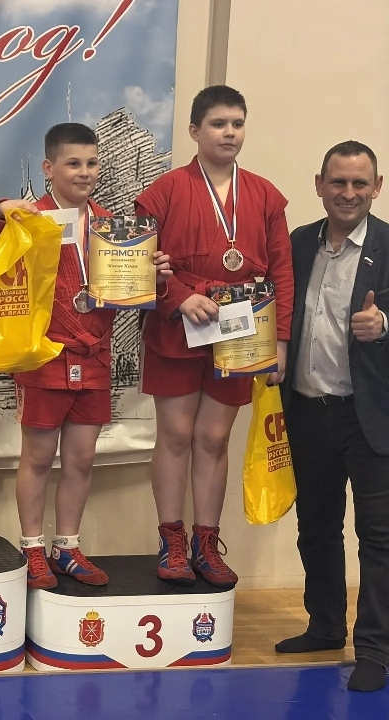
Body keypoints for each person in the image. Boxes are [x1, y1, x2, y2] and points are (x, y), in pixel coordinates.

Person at [0, 123, 171, 589]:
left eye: (92, 163)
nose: (84, 172)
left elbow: (130, 294)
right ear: (48, 168)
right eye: (73, 163)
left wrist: (153, 277)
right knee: (37, 457)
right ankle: (32, 548)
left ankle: (67, 547)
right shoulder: (28, 218)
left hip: (95, 354)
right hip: (45, 355)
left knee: (81, 459)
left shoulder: (115, 227)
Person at [135, 85, 294, 588]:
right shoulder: (164, 191)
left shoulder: (265, 195)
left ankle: (206, 542)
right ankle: (171, 539)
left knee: (214, 437)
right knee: (176, 435)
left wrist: (281, 340)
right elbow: (138, 264)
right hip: (178, 328)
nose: (229, 133)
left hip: (242, 328)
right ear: (194, 131)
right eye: (219, 124)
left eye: (237, 124)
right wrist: (178, 297)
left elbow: (282, 271)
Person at [275, 141, 389, 693]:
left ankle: (375, 649)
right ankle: (324, 626)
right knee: (316, 527)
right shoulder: (298, 243)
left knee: (378, 538)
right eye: (338, 182)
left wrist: (385, 326)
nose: (348, 193)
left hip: (370, 416)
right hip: (307, 409)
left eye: (359, 183)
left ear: (377, 187)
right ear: (319, 184)